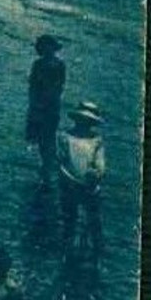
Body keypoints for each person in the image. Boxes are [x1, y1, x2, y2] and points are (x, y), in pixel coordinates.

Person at [57, 101, 106, 259]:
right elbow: (60, 161)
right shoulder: (65, 137)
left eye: (88, 121)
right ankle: (68, 251)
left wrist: (96, 174)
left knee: (93, 223)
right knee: (69, 221)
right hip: (69, 184)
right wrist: (66, 177)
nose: (84, 123)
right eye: (82, 120)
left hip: (90, 186)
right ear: (77, 119)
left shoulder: (96, 141)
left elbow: (100, 164)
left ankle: (95, 253)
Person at [26, 35, 67, 188]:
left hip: (48, 106)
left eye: (47, 46)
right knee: (42, 139)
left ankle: (47, 170)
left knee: (47, 138)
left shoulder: (58, 65)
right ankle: (46, 169)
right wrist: (35, 105)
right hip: (40, 106)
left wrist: (43, 101)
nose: (45, 49)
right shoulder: (39, 64)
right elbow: (33, 85)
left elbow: (59, 86)